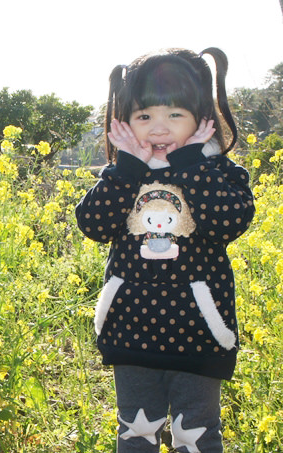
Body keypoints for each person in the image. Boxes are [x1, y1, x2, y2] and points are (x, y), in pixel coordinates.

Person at [75, 47, 255, 453]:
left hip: (200, 335)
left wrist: (191, 165)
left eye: (174, 115)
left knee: (198, 436)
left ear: (202, 120)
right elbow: (94, 225)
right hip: (131, 336)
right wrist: (125, 170)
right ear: (124, 123)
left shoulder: (219, 173)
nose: (159, 129)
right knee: (135, 434)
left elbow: (229, 222)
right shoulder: (124, 176)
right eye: (144, 117)